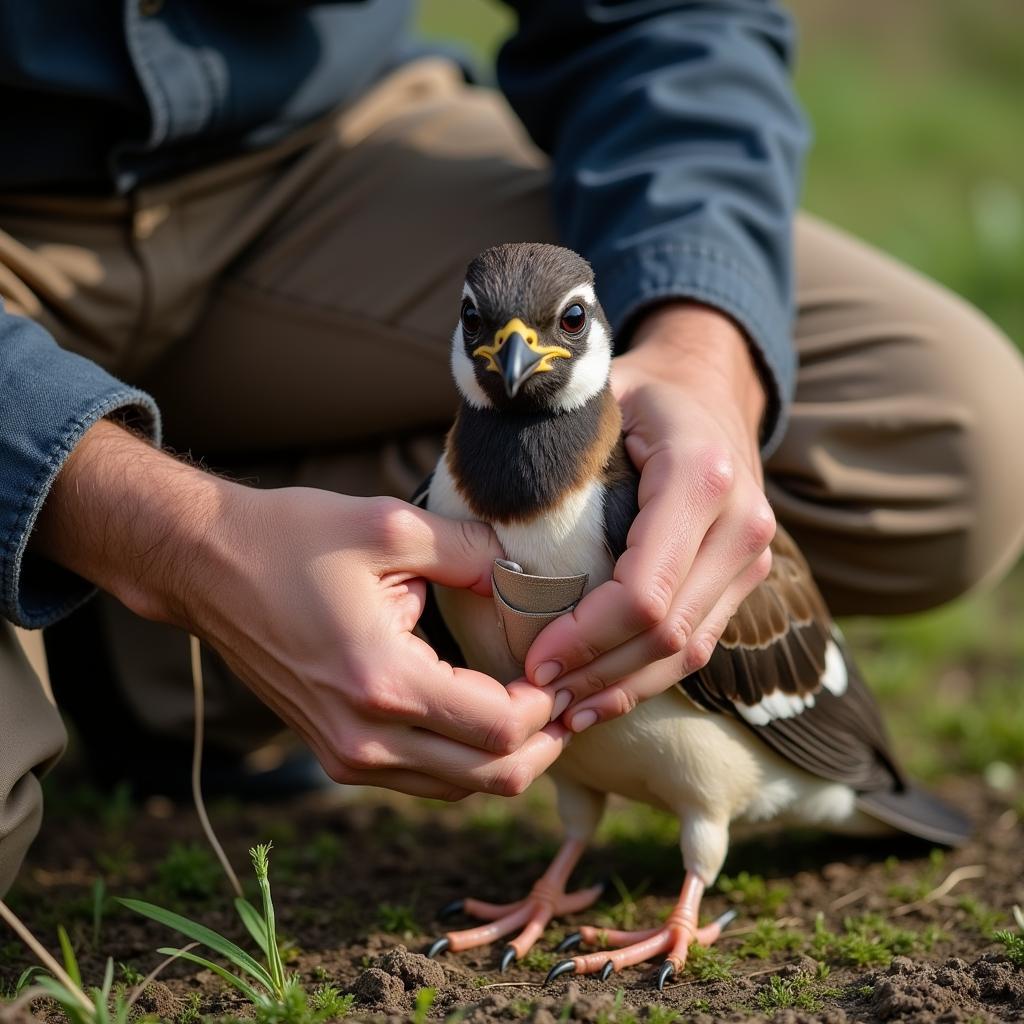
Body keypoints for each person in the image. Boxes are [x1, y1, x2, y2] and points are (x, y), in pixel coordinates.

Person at [2, 1, 1023, 897]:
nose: (520, 355)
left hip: (319, 148)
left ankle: (135, 646)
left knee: (953, 433)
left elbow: (666, 18)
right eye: (492, 338)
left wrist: (706, 349)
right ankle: (107, 568)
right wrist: (175, 539)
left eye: (566, 328)